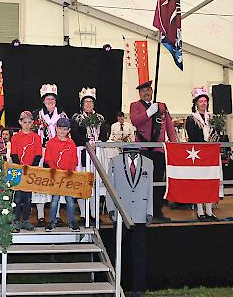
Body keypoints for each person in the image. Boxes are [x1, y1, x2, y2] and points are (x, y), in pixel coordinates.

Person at [130, 80, 178, 222]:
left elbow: (169, 126)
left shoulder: (162, 107)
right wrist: (149, 113)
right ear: (139, 93)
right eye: (142, 91)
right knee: (142, 180)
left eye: (147, 90)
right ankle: (142, 210)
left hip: (158, 149)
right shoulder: (135, 106)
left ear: (152, 91)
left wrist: (174, 144)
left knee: (158, 181)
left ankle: (157, 210)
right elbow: (135, 121)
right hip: (143, 149)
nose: (145, 93)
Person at [108, 151, 153, 297]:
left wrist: (150, 211)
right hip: (121, 212)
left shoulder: (148, 162)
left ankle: (138, 288)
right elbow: (110, 186)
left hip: (140, 213)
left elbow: (150, 189)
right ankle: (115, 284)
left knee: (139, 252)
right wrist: (110, 208)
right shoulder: (114, 162)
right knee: (117, 251)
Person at [32, 84, 67, 225]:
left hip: (57, 152)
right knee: (40, 183)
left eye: (53, 98)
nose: (50, 101)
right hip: (40, 151)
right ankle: (40, 215)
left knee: (56, 183)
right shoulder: (36, 115)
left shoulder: (62, 114)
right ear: (43, 100)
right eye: (48, 98)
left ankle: (57, 214)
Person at [71, 87, 109, 219]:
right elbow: (75, 135)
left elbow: (104, 134)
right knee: (82, 182)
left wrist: (97, 142)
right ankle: (83, 213)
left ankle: (94, 213)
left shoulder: (100, 117)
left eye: (90, 102)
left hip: (98, 152)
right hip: (83, 151)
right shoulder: (77, 118)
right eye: (86, 102)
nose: (88, 104)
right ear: (82, 104)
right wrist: (87, 142)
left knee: (95, 183)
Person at [184, 87, 220, 221]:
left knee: (210, 181)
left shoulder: (213, 118)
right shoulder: (191, 118)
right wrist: (205, 141)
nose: (203, 103)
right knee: (199, 183)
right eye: (201, 101)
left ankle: (209, 211)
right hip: (198, 154)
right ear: (196, 103)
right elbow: (192, 135)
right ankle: (200, 211)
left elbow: (218, 133)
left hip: (211, 154)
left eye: (205, 101)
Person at [44, 117, 79, 232]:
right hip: (56, 175)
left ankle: (72, 221)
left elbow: (74, 160)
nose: (62, 131)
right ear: (56, 129)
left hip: (68, 175)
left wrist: (70, 171)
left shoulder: (71, 143)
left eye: (65, 129)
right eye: (60, 128)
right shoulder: (51, 142)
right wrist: (54, 170)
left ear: (68, 130)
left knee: (70, 199)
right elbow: (48, 158)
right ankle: (52, 221)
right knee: (55, 200)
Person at [10, 111, 42, 232]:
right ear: (20, 122)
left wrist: (30, 168)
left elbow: (38, 154)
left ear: (33, 123)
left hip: (30, 170)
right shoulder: (15, 137)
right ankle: (15, 221)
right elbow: (13, 154)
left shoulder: (36, 138)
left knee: (28, 197)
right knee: (17, 197)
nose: (27, 125)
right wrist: (20, 167)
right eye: (24, 122)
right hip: (17, 170)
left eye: (29, 122)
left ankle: (26, 220)